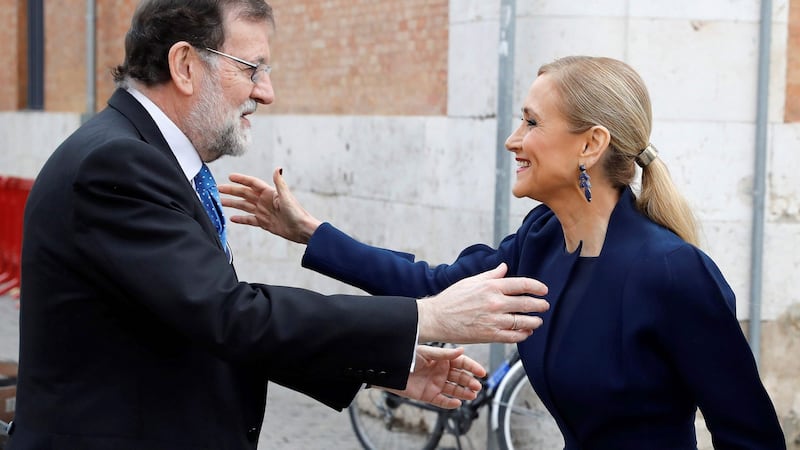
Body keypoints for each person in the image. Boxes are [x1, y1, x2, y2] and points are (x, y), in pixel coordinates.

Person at [8, 1, 553, 449]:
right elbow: (231, 316)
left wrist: (382, 368)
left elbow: (202, 324)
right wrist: (426, 316)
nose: (266, 92)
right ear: (185, 65)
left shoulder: (144, 156)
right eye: (252, 68)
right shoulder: (118, 163)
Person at [220, 55, 787, 448]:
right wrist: (311, 233)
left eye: (532, 122)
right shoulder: (541, 239)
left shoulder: (672, 273)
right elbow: (434, 286)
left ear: (591, 144)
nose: (514, 139)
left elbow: (750, 436)